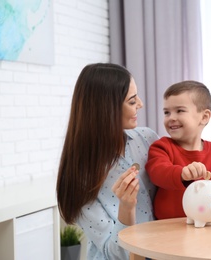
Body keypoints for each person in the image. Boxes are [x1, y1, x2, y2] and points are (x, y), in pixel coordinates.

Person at [56, 63, 159, 259]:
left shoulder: (148, 139)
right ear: (106, 109)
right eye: (131, 101)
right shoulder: (79, 175)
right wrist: (126, 208)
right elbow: (113, 254)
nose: (141, 104)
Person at [145, 80, 211, 220]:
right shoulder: (161, 147)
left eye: (180, 111)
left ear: (204, 117)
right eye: (167, 112)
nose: (171, 118)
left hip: (208, 228)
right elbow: (158, 172)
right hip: (167, 229)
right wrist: (182, 173)